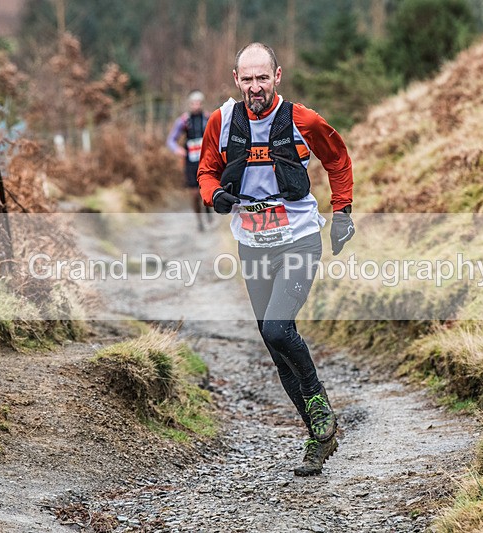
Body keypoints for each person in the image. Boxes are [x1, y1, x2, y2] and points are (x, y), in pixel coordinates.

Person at [197, 42, 355, 476]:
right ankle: (319, 437)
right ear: (236, 80)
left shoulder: (302, 120)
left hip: (300, 239)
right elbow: (207, 171)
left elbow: (338, 159)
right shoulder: (222, 121)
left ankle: (319, 404)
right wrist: (216, 195)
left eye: (262, 78)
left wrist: (342, 211)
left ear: (277, 76)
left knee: (278, 327)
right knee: (274, 344)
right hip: (252, 244)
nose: (254, 87)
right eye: (246, 79)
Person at [167, 90, 212, 231]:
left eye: (198, 103)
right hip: (191, 162)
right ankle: (199, 221)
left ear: (202, 104)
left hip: (207, 161)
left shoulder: (208, 118)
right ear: (189, 104)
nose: (196, 106)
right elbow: (171, 140)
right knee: (194, 193)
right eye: (193, 103)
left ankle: (208, 209)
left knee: (206, 189)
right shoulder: (184, 121)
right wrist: (177, 150)